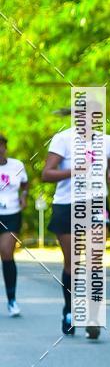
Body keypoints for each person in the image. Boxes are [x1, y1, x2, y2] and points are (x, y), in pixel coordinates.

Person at [41, 114, 110, 338]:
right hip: (67, 205)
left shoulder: (107, 141)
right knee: (72, 265)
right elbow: (46, 174)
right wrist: (76, 170)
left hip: (96, 202)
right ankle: (69, 310)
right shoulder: (63, 140)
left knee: (95, 259)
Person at [0, 134, 29, 317]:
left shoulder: (17, 165)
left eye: (1, 145)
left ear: (5, 147)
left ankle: (11, 300)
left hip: (11, 214)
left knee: (6, 252)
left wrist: (24, 196)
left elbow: (25, 184)